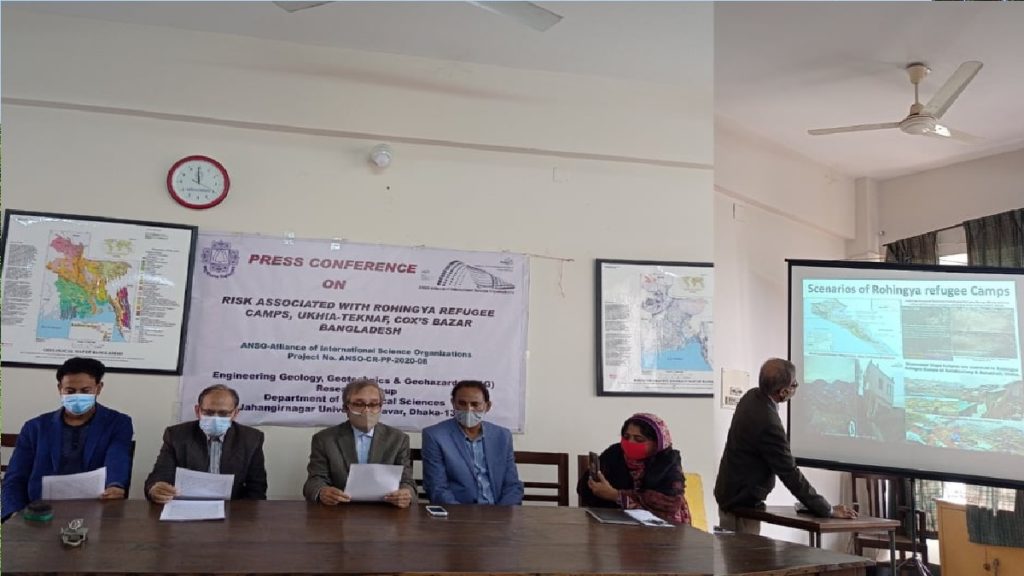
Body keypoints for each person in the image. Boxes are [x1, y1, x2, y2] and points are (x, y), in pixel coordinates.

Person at [715, 357, 858, 534]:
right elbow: (789, 473)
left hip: (731, 496)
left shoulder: (751, 397)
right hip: (740, 507)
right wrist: (826, 509)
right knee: (742, 551)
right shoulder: (768, 423)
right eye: (794, 384)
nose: (796, 387)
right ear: (783, 392)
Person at [1, 357, 134, 521]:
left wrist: (115, 485)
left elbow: (118, 457)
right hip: (40, 513)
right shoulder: (35, 428)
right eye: (70, 391)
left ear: (99, 388)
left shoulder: (117, 423)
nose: (77, 396)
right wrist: (13, 514)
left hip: (95, 512)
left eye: (85, 391)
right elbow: (15, 478)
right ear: (60, 388)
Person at [302, 378, 416, 508]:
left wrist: (405, 494)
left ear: (380, 407)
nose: (366, 411)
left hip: (385, 510)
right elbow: (314, 481)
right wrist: (322, 492)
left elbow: (407, 482)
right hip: (339, 509)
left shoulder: (398, 439)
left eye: (373, 404)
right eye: (359, 404)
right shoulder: (324, 439)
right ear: (346, 408)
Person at [144, 384, 267, 503]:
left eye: (224, 414)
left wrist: (238, 513)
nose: (215, 418)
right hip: (186, 507)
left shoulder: (251, 439)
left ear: (235, 413)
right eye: (208, 412)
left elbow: (257, 489)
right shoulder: (177, 435)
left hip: (232, 509)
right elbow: (160, 475)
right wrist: (155, 489)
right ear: (198, 411)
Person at [578, 412, 692, 525]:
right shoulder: (614, 453)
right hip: (615, 524)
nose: (630, 442)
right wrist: (594, 485)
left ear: (657, 443)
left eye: (639, 439)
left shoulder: (667, 461)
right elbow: (584, 488)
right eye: (626, 437)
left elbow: (669, 504)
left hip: (662, 528)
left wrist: (615, 495)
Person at [421, 380, 524, 505]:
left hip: (499, 510)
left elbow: (512, 485)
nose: (468, 409)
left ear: (487, 406)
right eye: (462, 403)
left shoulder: (502, 436)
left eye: (475, 404)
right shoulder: (435, 436)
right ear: (453, 403)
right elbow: (437, 488)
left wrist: (502, 513)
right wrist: (463, 514)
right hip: (458, 512)